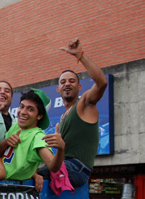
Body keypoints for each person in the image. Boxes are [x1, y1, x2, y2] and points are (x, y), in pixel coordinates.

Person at [37, 39, 108, 187]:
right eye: (63, 82)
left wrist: (80, 55)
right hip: (66, 165)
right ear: (58, 89)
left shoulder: (84, 105)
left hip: (77, 169)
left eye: (71, 81)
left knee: (35, 174)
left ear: (79, 87)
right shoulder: (63, 117)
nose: (67, 84)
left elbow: (102, 82)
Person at [0, 89, 65, 191]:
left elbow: (53, 166)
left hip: (9, 191)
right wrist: (7, 142)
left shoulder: (37, 136)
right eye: (22, 106)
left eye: (30, 109)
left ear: (39, 116)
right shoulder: (17, 125)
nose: (23, 112)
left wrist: (61, 149)